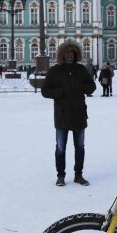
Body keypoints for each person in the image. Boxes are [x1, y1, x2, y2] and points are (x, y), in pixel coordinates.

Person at [41, 40, 96, 186]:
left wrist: (82, 88)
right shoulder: (54, 71)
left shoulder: (81, 70)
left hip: (78, 114)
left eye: (71, 52)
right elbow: (45, 91)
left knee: (80, 147)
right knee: (60, 147)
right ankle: (60, 176)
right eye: (66, 53)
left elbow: (92, 86)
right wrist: (58, 93)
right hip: (62, 114)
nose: (69, 55)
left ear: (75, 54)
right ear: (62, 55)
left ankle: (79, 175)